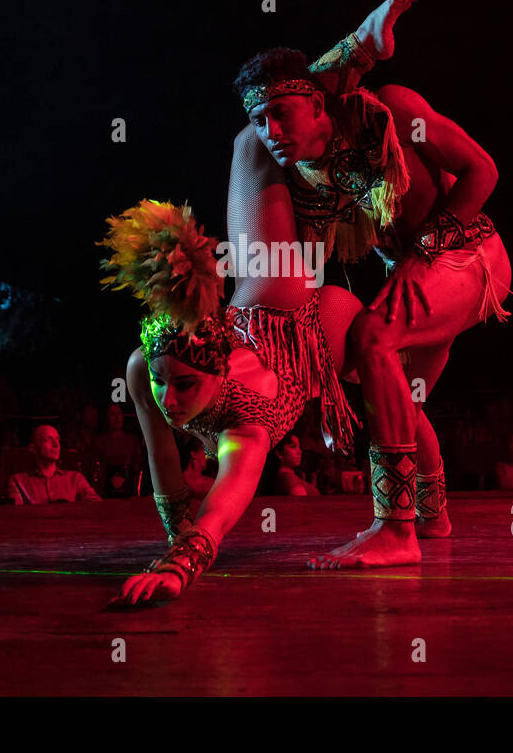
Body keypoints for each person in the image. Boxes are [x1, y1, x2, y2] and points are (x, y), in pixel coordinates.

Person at [229, 5, 513, 569]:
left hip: (469, 254)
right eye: (260, 121)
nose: (272, 132)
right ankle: (432, 515)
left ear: (317, 103)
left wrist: (424, 255)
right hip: (410, 268)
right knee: (399, 397)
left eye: (282, 113)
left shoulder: (393, 111)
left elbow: (484, 171)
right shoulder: (297, 170)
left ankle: (395, 529)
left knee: (374, 338)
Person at [102, 200, 362, 606]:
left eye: (186, 385)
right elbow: (164, 460)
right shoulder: (141, 366)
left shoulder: (247, 423)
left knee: (398, 389)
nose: (168, 400)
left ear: (219, 374)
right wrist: (177, 537)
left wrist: (180, 563)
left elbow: (218, 514)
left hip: (319, 327)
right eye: (160, 381)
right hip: (249, 316)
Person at [7, 425, 101, 504]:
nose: (56, 445)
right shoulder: (18, 481)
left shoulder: (75, 479)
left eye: (57, 439)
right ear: (33, 449)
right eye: (47, 440)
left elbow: (95, 505)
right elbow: (17, 517)